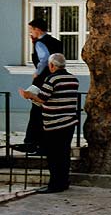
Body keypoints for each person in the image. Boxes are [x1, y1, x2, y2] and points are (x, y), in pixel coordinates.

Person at [19, 53, 79, 193]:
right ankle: (64, 182)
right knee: (64, 154)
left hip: (55, 123)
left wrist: (28, 95)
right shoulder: (73, 79)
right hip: (69, 122)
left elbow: (42, 98)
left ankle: (55, 185)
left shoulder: (52, 79)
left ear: (52, 65)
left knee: (53, 156)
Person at [17, 19, 63, 153]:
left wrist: (37, 73)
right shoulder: (57, 42)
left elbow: (44, 58)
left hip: (42, 81)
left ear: (37, 29)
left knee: (36, 111)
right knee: (49, 112)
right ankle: (44, 144)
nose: (30, 32)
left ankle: (31, 143)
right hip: (55, 79)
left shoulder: (40, 43)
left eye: (31, 29)